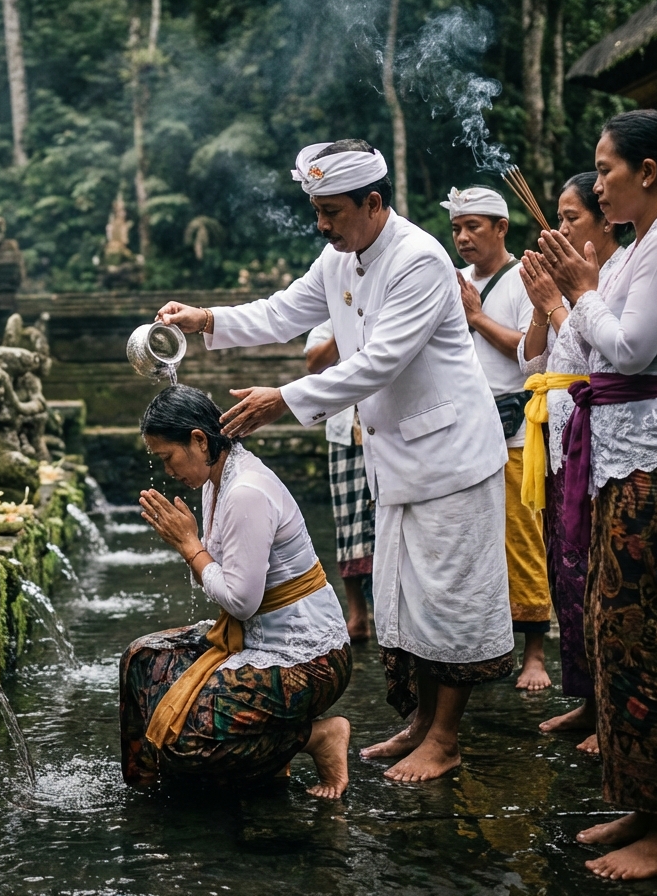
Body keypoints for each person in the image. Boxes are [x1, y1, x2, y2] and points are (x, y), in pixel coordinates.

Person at [155, 140, 513, 783]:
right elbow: (287, 310)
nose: (321, 224)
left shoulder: (420, 260)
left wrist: (283, 400)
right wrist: (206, 318)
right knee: (406, 599)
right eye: (316, 209)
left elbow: (379, 362)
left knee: (453, 597)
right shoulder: (342, 254)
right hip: (398, 457)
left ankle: (447, 738)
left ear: (373, 204)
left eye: (331, 211)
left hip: (452, 455)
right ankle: (420, 724)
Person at [539, 109, 657, 881]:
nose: (598, 185)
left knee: (656, 636)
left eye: (605, 170)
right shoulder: (637, 248)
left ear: (649, 171)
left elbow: (628, 348)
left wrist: (582, 289)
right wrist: (573, 298)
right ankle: (646, 799)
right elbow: (582, 346)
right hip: (622, 461)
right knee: (617, 631)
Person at [120, 384, 353, 798]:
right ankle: (149, 787)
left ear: (198, 439)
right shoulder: (215, 481)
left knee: (189, 739)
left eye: (167, 458)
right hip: (254, 639)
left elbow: (241, 602)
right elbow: (220, 578)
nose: (168, 470)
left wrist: (190, 545)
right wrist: (192, 547)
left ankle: (318, 737)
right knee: (142, 659)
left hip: (310, 659)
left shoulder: (246, 490)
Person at [517, 173, 625, 754]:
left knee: (596, 575)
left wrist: (560, 304)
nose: (559, 229)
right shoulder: (569, 281)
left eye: (570, 218)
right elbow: (529, 357)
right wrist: (544, 306)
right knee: (567, 572)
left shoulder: (619, 275)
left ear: (605, 220)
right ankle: (587, 701)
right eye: (557, 218)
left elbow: (597, 356)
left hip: (599, 439)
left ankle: (611, 708)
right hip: (557, 437)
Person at [449, 186, 553, 691]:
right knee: (473, 541)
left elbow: (531, 351)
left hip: (513, 426)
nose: (463, 238)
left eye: (474, 227)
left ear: (501, 228)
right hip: (467, 426)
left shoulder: (522, 279)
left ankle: (535, 653)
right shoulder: (458, 280)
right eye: (456, 228)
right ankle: (486, 646)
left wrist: (476, 317)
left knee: (522, 537)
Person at [304, 320, 374, 640]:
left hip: (387, 431)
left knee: (389, 521)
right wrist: (345, 329)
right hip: (345, 433)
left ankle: (392, 611)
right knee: (348, 525)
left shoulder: (385, 305)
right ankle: (358, 614)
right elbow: (313, 363)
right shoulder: (329, 319)